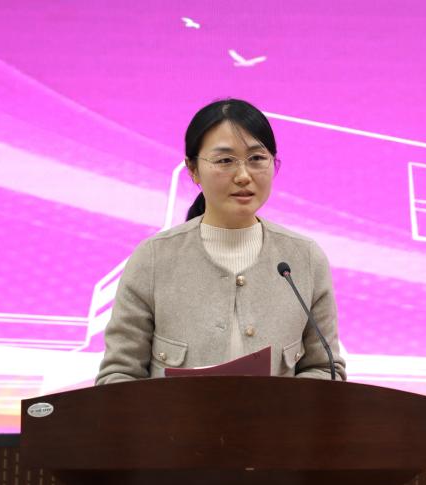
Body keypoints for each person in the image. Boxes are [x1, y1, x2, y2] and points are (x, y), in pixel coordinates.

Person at [95, 98, 346, 383]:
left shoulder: (304, 259)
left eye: (257, 159)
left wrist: (284, 409)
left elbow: (325, 369)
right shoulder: (154, 259)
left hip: (278, 415)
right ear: (193, 169)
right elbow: (118, 375)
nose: (243, 175)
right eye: (225, 161)